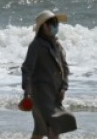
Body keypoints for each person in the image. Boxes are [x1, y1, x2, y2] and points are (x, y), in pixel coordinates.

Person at [21, 10, 75, 139]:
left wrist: (63, 87)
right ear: (44, 26)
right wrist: (26, 92)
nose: (56, 26)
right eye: (53, 23)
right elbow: (27, 69)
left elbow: (65, 68)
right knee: (53, 128)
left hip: (54, 93)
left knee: (40, 130)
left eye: (56, 23)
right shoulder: (36, 45)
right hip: (40, 95)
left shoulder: (57, 45)